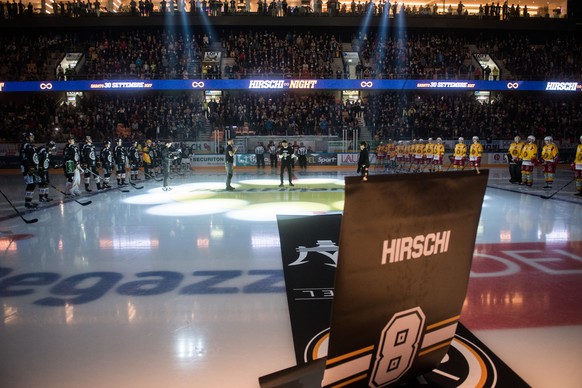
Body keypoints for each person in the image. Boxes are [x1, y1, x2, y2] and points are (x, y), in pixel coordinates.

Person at [19, 132, 39, 208]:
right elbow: (24, 158)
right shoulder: (25, 146)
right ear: (27, 138)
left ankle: (28, 201)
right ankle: (27, 202)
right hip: (28, 169)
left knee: (32, 185)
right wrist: (30, 168)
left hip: (30, 168)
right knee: (31, 184)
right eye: (31, 137)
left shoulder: (29, 146)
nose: (32, 138)